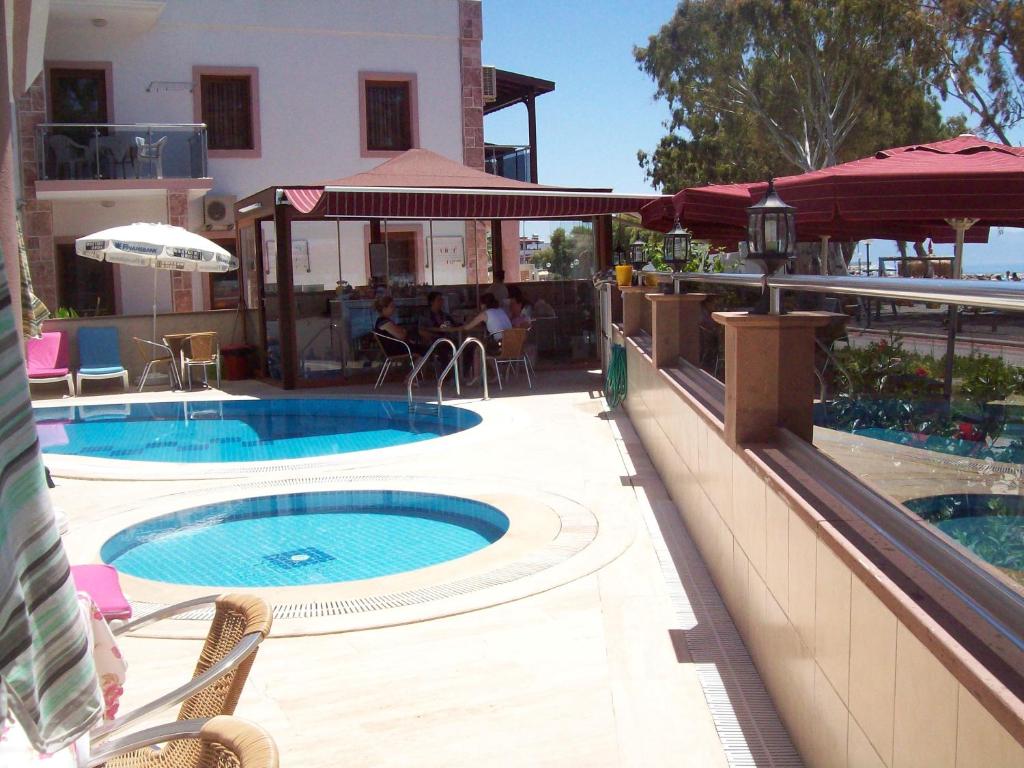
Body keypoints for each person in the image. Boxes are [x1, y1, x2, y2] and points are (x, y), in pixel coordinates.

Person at [460, 293, 512, 383]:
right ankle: (498, 374)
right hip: (513, 344)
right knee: (487, 350)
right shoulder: (501, 311)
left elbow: (467, 327)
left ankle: (477, 377)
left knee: (478, 349)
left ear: (483, 304)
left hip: (499, 345)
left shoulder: (485, 313)